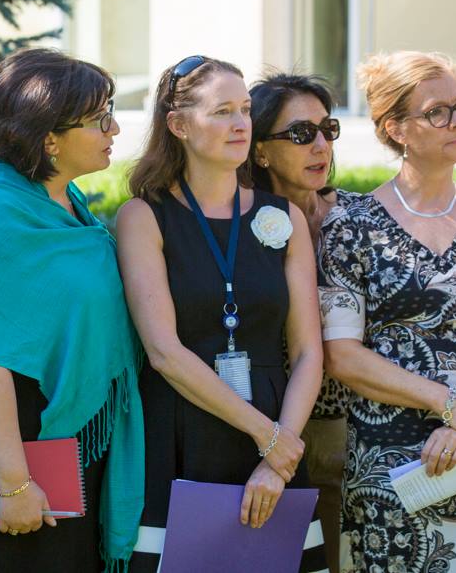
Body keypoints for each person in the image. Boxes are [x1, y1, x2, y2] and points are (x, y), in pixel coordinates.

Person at [0, 48, 144, 572]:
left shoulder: (62, 199)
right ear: (49, 138)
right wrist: (14, 483)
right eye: (99, 118)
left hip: (52, 433)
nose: (113, 129)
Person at [320, 51, 456, 571]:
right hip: (390, 463)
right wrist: (448, 405)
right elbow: (343, 356)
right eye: (437, 112)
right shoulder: (351, 224)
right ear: (395, 129)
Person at [117, 56, 326, 572]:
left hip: (277, 430)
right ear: (179, 125)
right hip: (184, 428)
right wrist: (268, 437)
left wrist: (279, 456)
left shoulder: (283, 216)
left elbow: (308, 352)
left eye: (246, 110)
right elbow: (164, 352)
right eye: (222, 111)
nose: (240, 124)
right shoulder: (144, 217)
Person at [248, 71, 353, 571]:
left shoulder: (358, 218)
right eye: (300, 133)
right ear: (260, 151)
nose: (320, 145)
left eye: (327, 129)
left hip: (362, 425)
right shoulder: (237, 225)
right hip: (274, 426)